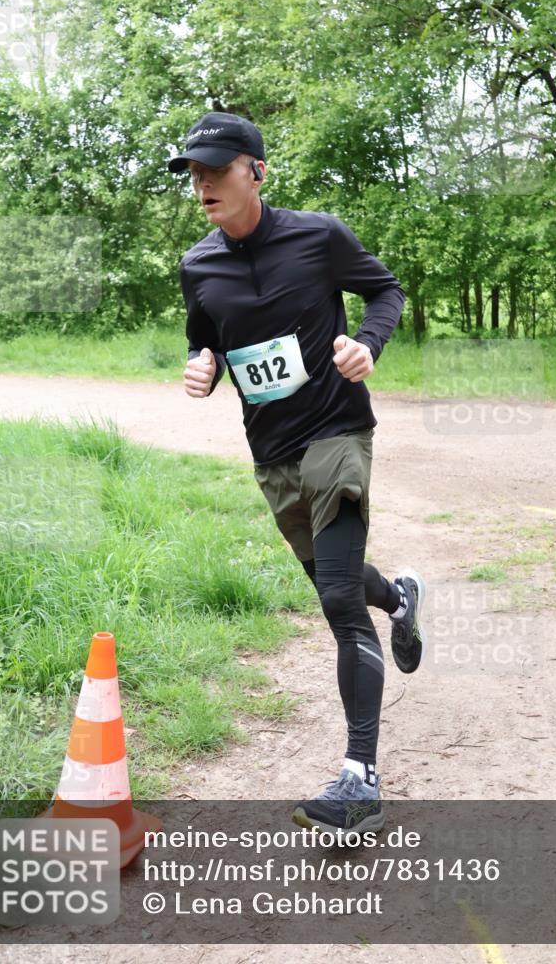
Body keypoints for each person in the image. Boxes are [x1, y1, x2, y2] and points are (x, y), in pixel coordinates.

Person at [168, 111, 426, 837]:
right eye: (194, 173)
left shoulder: (319, 236)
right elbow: (204, 334)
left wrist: (367, 345)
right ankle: (399, 598)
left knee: (338, 604)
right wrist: (202, 365)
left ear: (256, 171)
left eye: (215, 170)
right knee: (335, 582)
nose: (202, 184)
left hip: (336, 433)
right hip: (272, 453)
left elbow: (386, 291)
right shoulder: (198, 265)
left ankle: (360, 779)